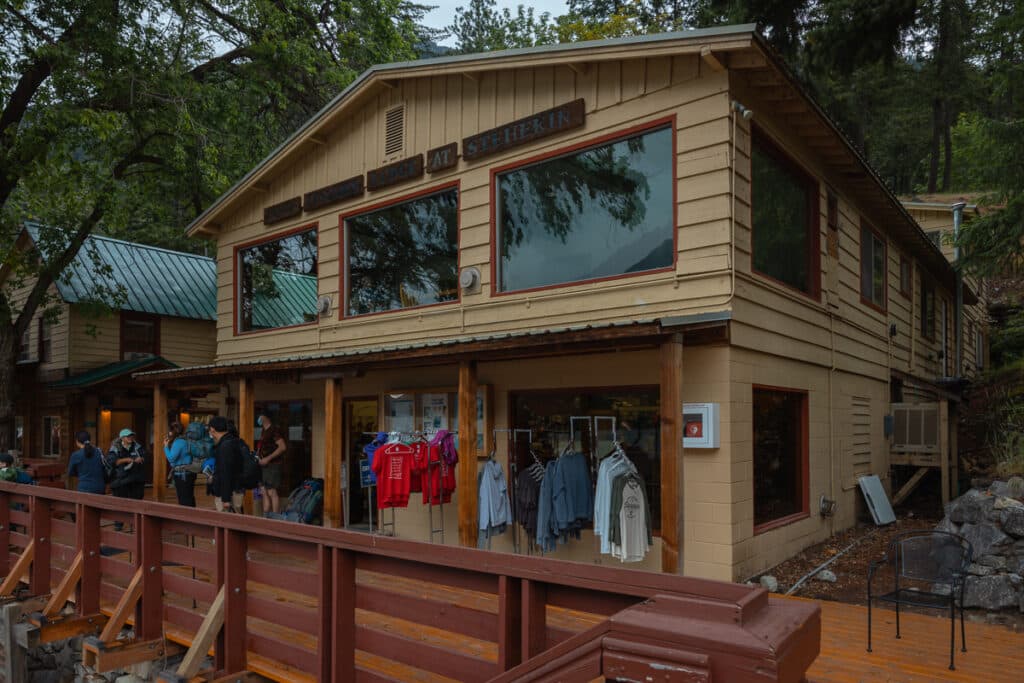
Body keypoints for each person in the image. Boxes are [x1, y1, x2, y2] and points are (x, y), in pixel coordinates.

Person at [208, 416, 244, 513]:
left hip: (228, 492)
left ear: (212, 429)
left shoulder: (225, 446)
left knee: (228, 523)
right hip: (235, 488)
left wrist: (226, 499)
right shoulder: (233, 441)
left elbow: (226, 472)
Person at [255, 414, 287, 514]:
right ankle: (266, 516)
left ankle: (275, 518)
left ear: (267, 417)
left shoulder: (274, 430)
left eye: (261, 416)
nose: (259, 418)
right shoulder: (263, 431)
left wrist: (268, 458)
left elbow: (282, 447)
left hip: (272, 465)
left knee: (271, 491)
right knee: (264, 490)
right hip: (263, 465)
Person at [163, 421, 196, 507]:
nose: (168, 433)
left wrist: (166, 447)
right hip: (189, 473)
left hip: (182, 475)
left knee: (184, 500)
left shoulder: (178, 442)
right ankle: (193, 518)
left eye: (169, 431)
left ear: (173, 431)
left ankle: (187, 519)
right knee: (189, 498)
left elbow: (171, 458)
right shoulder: (186, 440)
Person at [108, 428, 146, 500]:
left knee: (136, 503)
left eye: (131, 436)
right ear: (122, 438)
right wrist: (127, 460)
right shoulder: (115, 448)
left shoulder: (137, 447)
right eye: (128, 436)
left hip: (136, 482)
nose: (130, 438)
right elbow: (112, 462)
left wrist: (140, 459)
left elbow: (144, 457)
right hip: (121, 481)